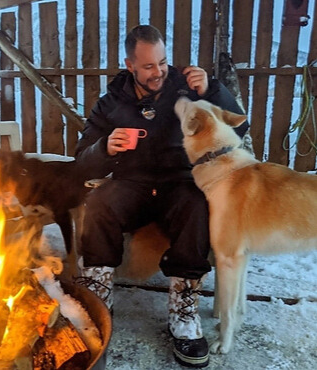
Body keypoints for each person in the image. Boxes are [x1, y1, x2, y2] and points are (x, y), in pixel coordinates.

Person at [75, 25, 249, 368]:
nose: (159, 72)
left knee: (197, 206)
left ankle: (184, 311)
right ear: (130, 65)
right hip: (131, 183)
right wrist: (104, 148)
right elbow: (81, 160)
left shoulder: (189, 88)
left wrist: (214, 91)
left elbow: (239, 128)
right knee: (98, 204)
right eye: (149, 66)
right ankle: (96, 297)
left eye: (163, 62)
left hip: (179, 181)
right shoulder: (110, 103)